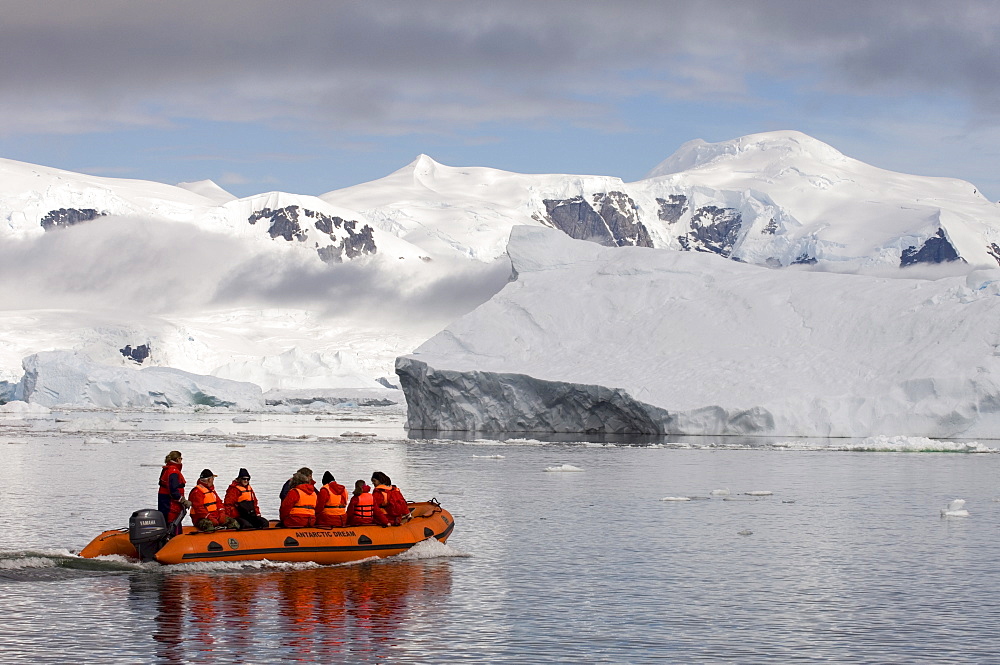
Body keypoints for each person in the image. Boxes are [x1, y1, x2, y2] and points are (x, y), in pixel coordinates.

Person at [158, 451, 191, 533]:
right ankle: (173, 541)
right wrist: (183, 500)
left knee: (167, 521)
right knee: (173, 524)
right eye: (181, 459)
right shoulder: (173, 471)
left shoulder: (167, 469)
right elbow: (173, 490)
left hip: (164, 502)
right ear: (178, 459)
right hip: (171, 504)